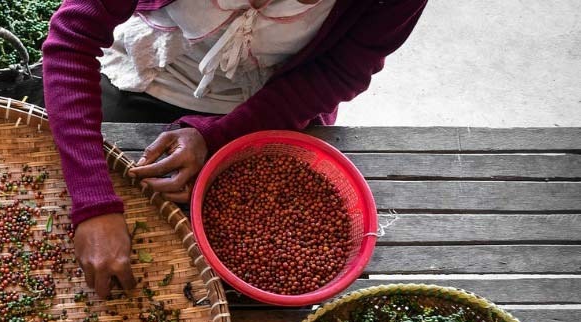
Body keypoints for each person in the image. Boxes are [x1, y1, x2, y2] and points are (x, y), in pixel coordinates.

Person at [42, 0, 427, 298]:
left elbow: (339, 71)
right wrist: (93, 202)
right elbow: (71, 39)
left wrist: (218, 136)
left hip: (274, 103)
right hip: (155, 71)